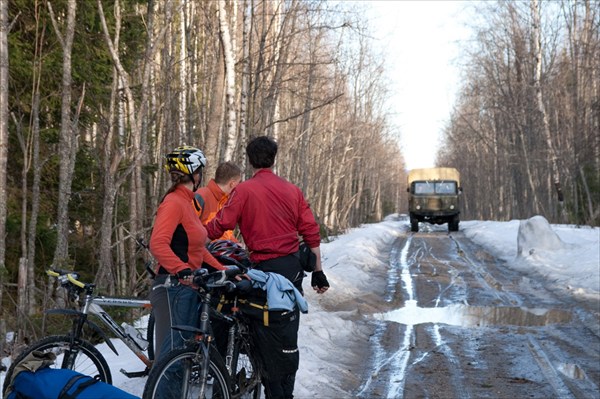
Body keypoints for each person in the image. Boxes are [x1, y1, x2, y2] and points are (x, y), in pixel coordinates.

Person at [206, 135, 330, 399]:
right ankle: (284, 392)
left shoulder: (244, 191)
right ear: (274, 159)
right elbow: (310, 231)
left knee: (261, 330)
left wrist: (196, 235)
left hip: (263, 271)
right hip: (290, 271)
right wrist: (318, 270)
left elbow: (222, 224)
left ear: (250, 161)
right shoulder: (292, 190)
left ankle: (266, 386)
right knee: (286, 336)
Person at [149, 145, 227, 363]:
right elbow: (157, 243)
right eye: (200, 171)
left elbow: (198, 248)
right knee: (170, 362)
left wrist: (223, 270)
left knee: (181, 359)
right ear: (195, 174)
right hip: (171, 287)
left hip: (185, 288)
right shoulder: (174, 202)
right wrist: (181, 269)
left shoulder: (188, 202)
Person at [194, 161, 242, 241]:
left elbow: (227, 234)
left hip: (224, 250)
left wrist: (236, 244)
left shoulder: (228, 201)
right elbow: (186, 229)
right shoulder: (200, 196)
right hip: (203, 250)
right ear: (232, 184)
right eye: (239, 182)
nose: (239, 186)